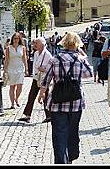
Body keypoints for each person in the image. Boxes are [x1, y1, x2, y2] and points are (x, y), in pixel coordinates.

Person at [38, 32, 92, 164]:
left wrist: (41, 93)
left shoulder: (55, 59)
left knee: (59, 134)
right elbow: (89, 74)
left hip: (57, 102)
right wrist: (83, 56)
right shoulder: (80, 59)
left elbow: (46, 79)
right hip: (76, 103)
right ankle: (71, 156)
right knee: (73, 132)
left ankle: (61, 160)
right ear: (77, 45)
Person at [18, 37, 52, 123]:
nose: (35, 45)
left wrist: (44, 70)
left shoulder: (47, 55)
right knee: (31, 96)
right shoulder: (36, 53)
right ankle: (27, 115)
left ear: (42, 44)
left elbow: (51, 68)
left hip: (44, 78)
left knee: (45, 96)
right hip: (36, 78)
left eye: (37, 43)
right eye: (35, 43)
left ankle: (49, 116)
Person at [4, 32, 29, 109]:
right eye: (14, 38)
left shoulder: (22, 48)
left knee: (20, 86)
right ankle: (12, 103)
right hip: (11, 69)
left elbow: (24, 58)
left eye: (17, 38)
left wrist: (26, 69)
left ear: (19, 39)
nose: (16, 40)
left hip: (20, 69)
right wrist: (5, 70)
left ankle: (16, 98)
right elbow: (7, 60)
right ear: (12, 39)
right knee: (12, 87)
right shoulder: (9, 48)